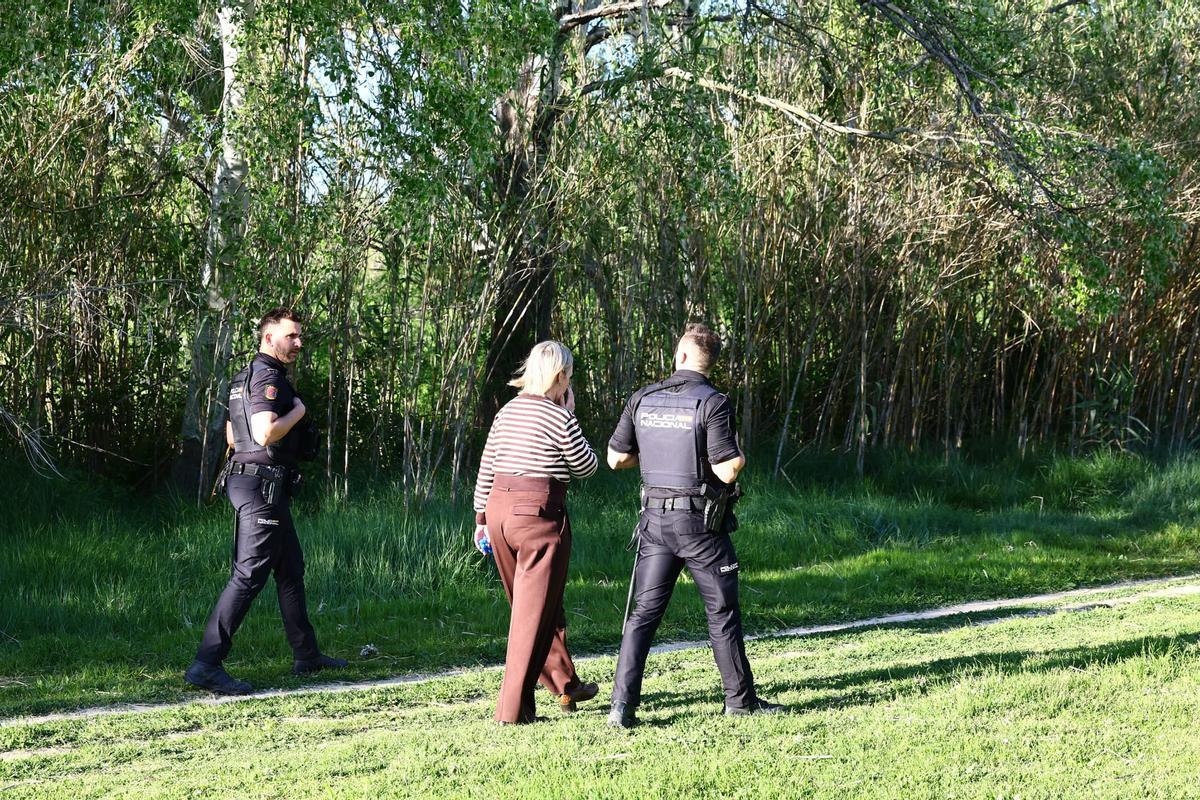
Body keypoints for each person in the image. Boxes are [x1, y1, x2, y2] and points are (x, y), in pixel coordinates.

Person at [606, 322, 784, 727]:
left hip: (654, 521)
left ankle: (621, 708)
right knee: (721, 612)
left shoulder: (643, 398)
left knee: (643, 615)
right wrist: (739, 459)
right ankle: (739, 702)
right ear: (708, 362)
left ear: (681, 355)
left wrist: (651, 455)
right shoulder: (714, 402)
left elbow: (616, 458)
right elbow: (727, 471)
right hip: (701, 527)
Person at [184, 307, 346, 695]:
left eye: (300, 336)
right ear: (269, 337)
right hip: (261, 488)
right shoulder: (269, 378)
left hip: (256, 484)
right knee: (248, 575)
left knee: (290, 568)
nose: (299, 343)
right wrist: (299, 411)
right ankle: (207, 663)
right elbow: (264, 432)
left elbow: (231, 436)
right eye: (291, 336)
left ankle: (306, 655)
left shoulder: (243, 378)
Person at [473, 340, 600, 723]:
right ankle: (512, 712)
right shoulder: (559, 417)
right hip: (539, 516)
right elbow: (586, 467)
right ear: (560, 377)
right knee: (532, 615)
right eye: (569, 379)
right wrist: (572, 416)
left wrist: (480, 518)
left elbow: (487, 467)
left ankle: (564, 682)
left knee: (536, 605)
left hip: (498, 512)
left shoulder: (506, 412)